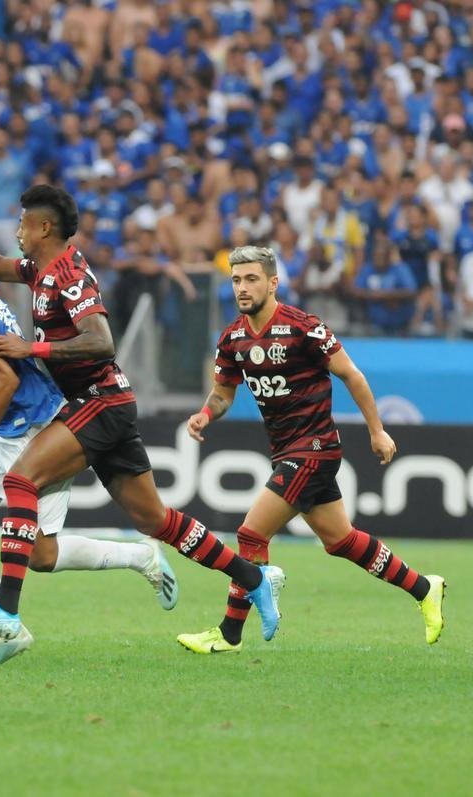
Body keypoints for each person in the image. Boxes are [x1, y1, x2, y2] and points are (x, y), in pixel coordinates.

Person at [0, 188, 284, 643]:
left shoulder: (70, 276)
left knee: (21, 481)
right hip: (103, 405)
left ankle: (5, 609)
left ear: (44, 228)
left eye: (23, 224)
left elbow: (102, 341)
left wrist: (34, 347)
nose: (18, 233)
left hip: (98, 402)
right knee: (155, 520)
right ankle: (255, 578)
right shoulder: (40, 271)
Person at [0, 234, 177, 666]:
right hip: (11, 427)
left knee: (42, 557)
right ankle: (6, 628)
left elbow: (4, 380)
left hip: (38, 428)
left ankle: (141, 556)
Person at [177, 246, 446, 655]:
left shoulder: (304, 327)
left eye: (251, 279)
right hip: (286, 449)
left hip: (314, 448)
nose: (243, 288)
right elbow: (222, 395)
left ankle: (228, 634)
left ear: (272, 283)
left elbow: (351, 375)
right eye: (236, 280)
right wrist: (204, 415)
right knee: (340, 540)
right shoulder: (232, 338)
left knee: (251, 533)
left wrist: (377, 431)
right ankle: (425, 588)